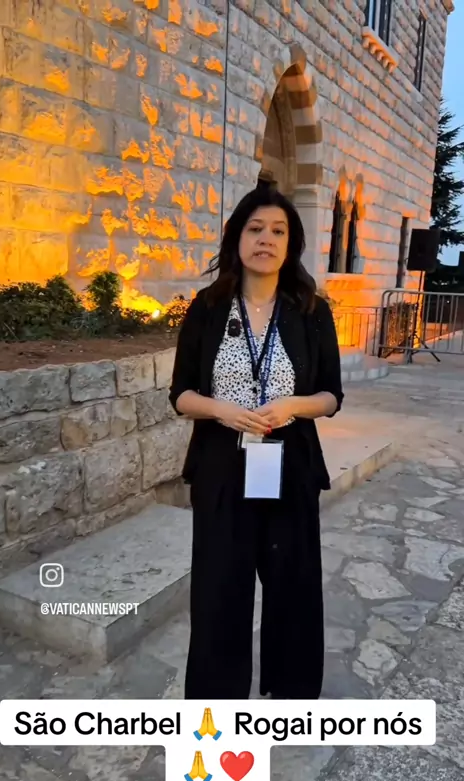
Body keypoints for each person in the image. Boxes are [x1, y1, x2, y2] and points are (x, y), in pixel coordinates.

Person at [169, 185, 343, 700]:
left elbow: (331, 396)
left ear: (291, 245)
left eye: (278, 231)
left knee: (293, 588)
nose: (266, 239)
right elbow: (180, 395)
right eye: (255, 229)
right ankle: (216, 707)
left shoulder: (312, 310)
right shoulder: (207, 307)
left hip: (291, 465)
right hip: (221, 468)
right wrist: (221, 410)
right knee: (219, 592)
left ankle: (291, 699)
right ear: (237, 238)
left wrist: (293, 406)